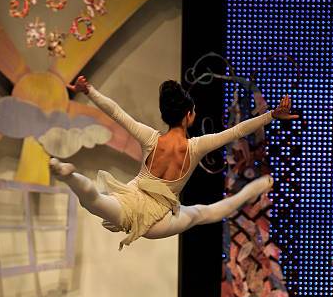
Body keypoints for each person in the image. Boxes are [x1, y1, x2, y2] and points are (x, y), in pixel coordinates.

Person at [50, 76, 298, 251]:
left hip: (129, 202)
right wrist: (271, 115)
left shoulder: (150, 137)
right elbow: (238, 131)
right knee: (204, 213)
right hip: (158, 223)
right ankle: (257, 187)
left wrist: (89, 90)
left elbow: (116, 112)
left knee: (95, 201)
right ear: (189, 115)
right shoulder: (196, 146)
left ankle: (68, 174)